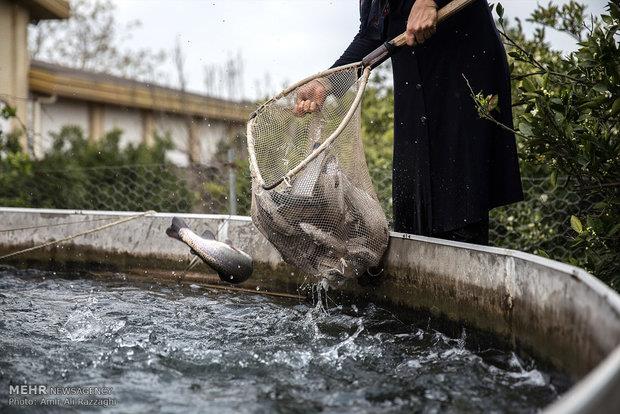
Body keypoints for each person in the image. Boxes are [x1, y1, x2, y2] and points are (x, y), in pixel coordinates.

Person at [295, 0, 523, 246]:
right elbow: (372, 34)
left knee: (458, 202)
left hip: (461, 77)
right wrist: (327, 82)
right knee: (413, 205)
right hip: (415, 88)